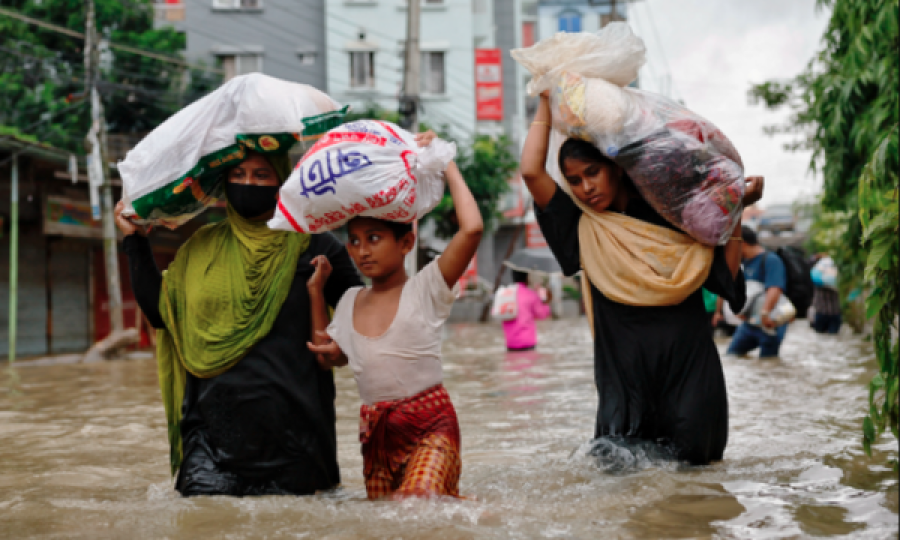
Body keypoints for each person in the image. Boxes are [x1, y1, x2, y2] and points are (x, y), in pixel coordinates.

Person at [519, 91, 762, 465]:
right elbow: (532, 171)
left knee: (696, 483)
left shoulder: (672, 213)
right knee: (622, 482)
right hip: (625, 381)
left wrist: (734, 211)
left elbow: (724, 280)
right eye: (575, 180)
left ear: (616, 167)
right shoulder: (582, 226)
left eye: (592, 172)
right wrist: (546, 101)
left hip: (689, 372)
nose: (586, 187)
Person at [114, 150, 363, 497]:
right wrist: (135, 240)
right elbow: (161, 314)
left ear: (281, 182)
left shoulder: (315, 246)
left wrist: (343, 344)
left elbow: (362, 315)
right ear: (224, 181)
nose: (248, 183)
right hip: (211, 444)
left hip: (297, 442)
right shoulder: (201, 248)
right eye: (239, 174)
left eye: (262, 175)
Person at [307, 147, 483, 499]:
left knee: (415, 503)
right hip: (377, 436)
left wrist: (445, 160)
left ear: (406, 242)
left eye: (373, 239)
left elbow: (473, 228)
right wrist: (316, 292)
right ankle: (465, 511)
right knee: (389, 524)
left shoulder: (426, 288)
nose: (362, 252)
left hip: (432, 426)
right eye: (354, 241)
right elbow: (328, 357)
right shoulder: (349, 300)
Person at [725, 226, 789, 358]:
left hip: (769, 320)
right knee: (731, 355)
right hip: (749, 323)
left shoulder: (771, 260)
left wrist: (765, 313)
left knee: (768, 361)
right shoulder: (745, 262)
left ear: (741, 243)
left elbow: (775, 288)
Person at [502, 270, 552, 352]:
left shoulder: (506, 293)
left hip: (510, 343)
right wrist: (543, 299)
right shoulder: (531, 294)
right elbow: (542, 315)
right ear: (527, 277)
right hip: (527, 342)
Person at [810, 253, 842, 334]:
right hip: (834, 313)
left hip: (821, 312)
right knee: (832, 337)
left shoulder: (817, 273)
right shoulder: (835, 270)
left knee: (820, 337)